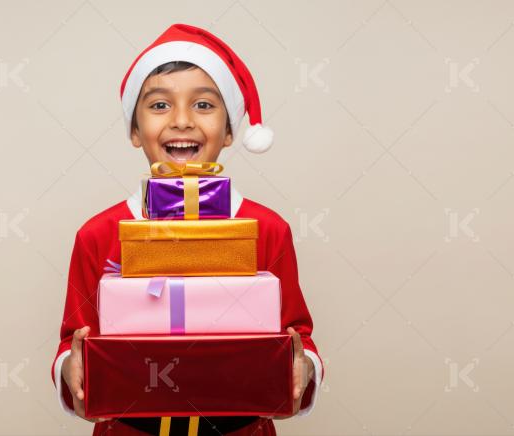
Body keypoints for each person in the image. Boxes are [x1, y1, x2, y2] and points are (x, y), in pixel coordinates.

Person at [52, 23, 325, 435]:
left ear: (231, 130)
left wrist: (302, 365)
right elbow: (75, 338)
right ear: (133, 129)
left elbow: (296, 335)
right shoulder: (98, 234)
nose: (181, 121)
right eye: (160, 106)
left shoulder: (267, 230)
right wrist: (70, 367)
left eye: (203, 105)